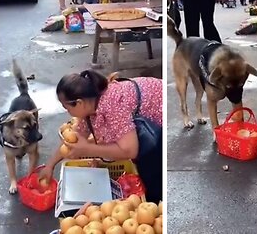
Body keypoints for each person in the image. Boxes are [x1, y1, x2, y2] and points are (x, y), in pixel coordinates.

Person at [38, 70, 163, 203]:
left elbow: (130, 150)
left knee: (153, 179)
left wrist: (88, 149)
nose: (68, 113)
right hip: (147, 120)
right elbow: (73, 140)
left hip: (160, 111)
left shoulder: (112, 104)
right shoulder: (90, 105)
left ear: (79, 103)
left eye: (67, 108)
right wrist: (50, 166)